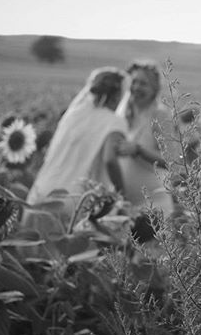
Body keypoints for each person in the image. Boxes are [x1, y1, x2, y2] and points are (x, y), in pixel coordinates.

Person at [22, 67, 129, 230]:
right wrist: (122, 194)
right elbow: (110, 160)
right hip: (74, 199)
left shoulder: (73, 115)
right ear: (116, 96)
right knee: (65, 252)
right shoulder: (115, 122)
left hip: (42, 190)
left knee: (33, 250)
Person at [115, 60, 177, 219]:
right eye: (134, 82)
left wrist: (139, 150)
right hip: (123, 206)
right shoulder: (122, 114)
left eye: (143, 84)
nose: (136, 87)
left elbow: (172, 161)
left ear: (154, 89)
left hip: (153, 206)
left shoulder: (160, 115)